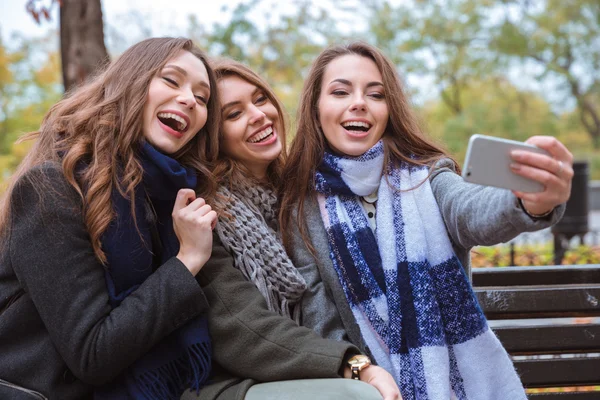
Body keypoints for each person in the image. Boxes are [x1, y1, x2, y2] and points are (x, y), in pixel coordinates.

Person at [279, 42, 573, 400]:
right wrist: (364, 374)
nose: (359, 102)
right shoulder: (299, 207)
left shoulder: (426, 175)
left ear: (389, 110)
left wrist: (528, 201)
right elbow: (321, 321)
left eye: (376, 94)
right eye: (341, 91)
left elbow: (471, 212)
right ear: (315, 108)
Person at [0, 37, 220, 400]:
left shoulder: (169, 204)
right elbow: (92, 353)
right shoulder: (51, 188)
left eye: (202, 97)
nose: (189, 100)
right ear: (130, 83)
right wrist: (187, 260)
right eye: (171, 80)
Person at [183, 58, 401, 400]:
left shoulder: (305, 194)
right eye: (234, 114)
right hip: (234, 384)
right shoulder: (205, 212)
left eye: (259, 99)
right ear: (212, 136)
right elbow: (245, 331)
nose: (258, 116)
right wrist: (356, 365)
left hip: (320, 369)